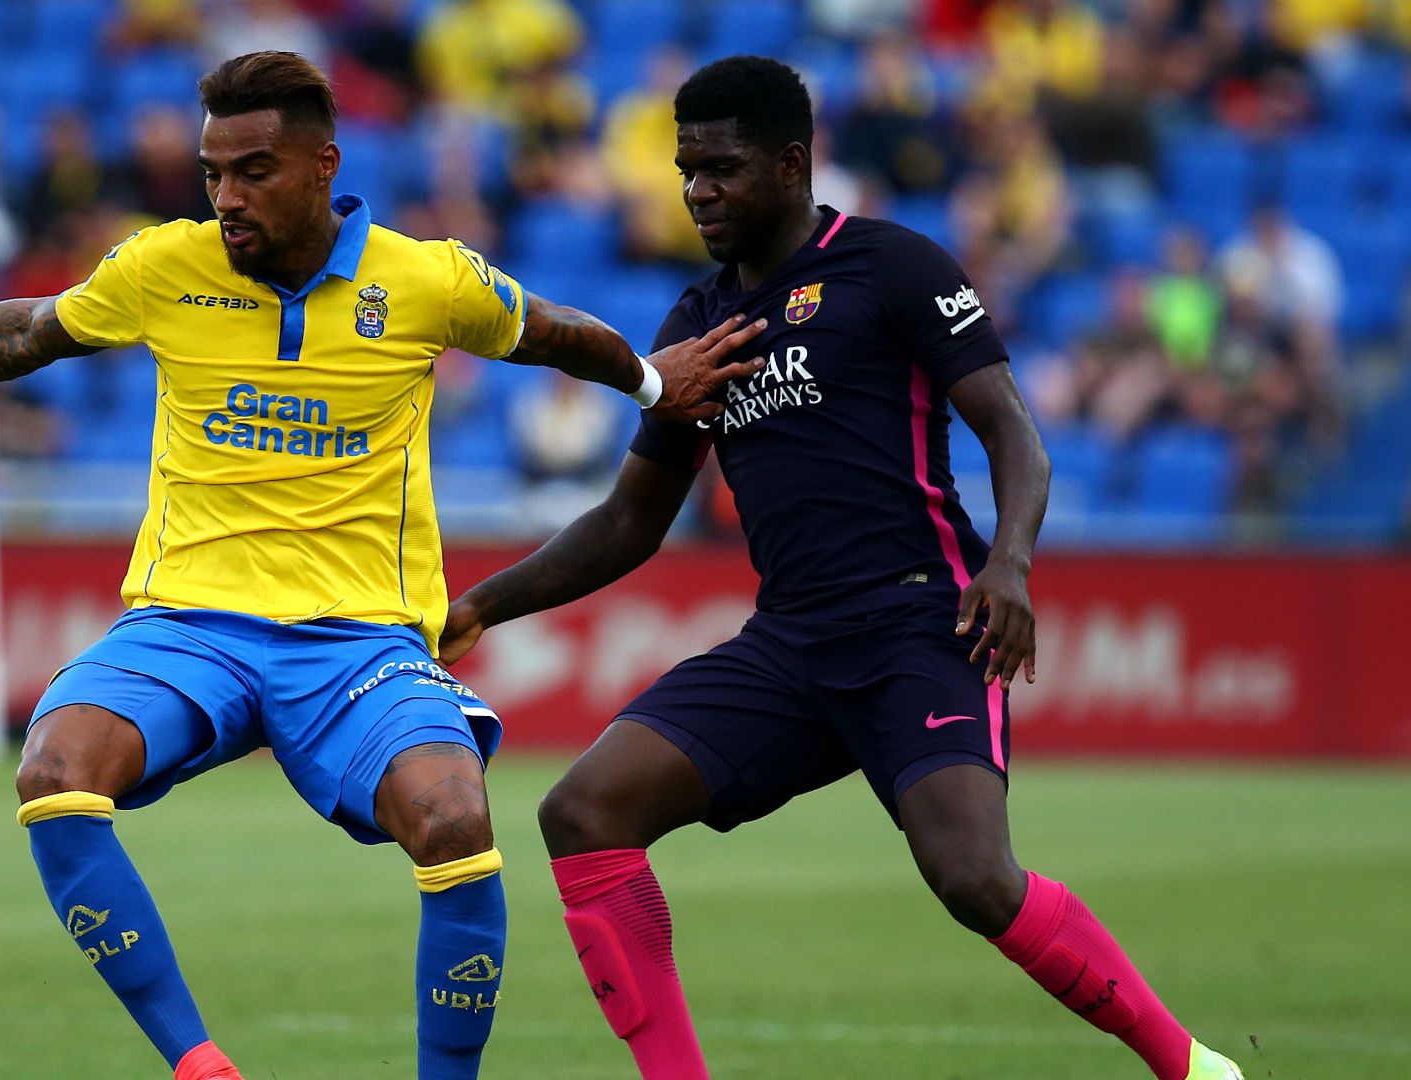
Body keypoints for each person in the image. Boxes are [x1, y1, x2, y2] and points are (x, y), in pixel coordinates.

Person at [0, 51, 760, 1080]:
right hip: (189, 622)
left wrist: (653, 382)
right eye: (213, 173)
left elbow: (555, 333)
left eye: (253, 170)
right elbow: (28, 330)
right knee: (55, 771)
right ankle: (201, 1066)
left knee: (455, 814)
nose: (226, 197)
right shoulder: (166, 266)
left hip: (358, 641)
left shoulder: (423, 280)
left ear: (323, 164)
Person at [440, 56, 1245, 1080]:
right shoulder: (695, 327)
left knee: (972, 879)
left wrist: (1009, 565)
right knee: (584, 811)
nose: (699, 191)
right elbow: (630, 522)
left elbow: (1015, 435)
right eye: (687, 169)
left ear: (790, 162)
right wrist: (483, 603)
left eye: (722, 168)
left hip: (921, 624)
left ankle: (1189, 1066)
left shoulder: (893, 267)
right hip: (792, 645)